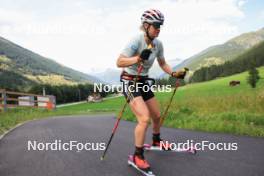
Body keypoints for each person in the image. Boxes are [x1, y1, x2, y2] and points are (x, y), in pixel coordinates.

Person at [116, 9, 187, 172]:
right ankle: (137, 156)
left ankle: (156, 140)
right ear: (146, 25)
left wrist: (174, 73)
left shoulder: (158, 44)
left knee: (156, 115)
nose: (159, 29)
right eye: (156, 26)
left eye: (160, 26)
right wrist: (138, 58)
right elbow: (119, 62)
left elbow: (162, 63)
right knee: (144, 118)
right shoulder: (136, 40)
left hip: (143, 81)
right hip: (130, 81)